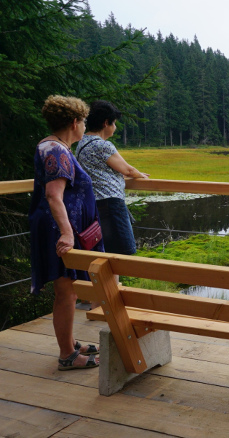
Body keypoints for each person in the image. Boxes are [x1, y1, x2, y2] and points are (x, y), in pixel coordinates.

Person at [29, 95, 102, 370]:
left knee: (67, 290)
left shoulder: (53, 145)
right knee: (67, 291)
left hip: (55, 227)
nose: (85, 126)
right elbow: (53, 195)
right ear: (74, 122)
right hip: (57, 230)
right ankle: (66, 356)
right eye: (84, 121)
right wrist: (67, 233)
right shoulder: (57, 152)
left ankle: (70, 342)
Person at [75, 100, 148, 257]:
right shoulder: (103, 145)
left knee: (105, 253)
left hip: (93, 205)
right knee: (124, 253)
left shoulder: (82, 143)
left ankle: (108, 282)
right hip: (111, 205)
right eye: (114, 123)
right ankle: (113, 282)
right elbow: (127, 169)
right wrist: (140, 175)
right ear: (106, 123)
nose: (115, 127)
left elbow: (101, 170)